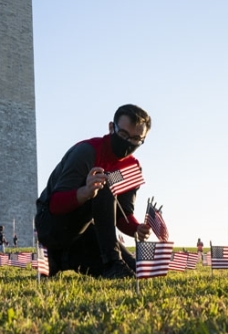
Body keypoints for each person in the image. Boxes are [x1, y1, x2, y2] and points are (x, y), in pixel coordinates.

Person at [35, 104, 153, 279]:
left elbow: (122, 215)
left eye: (136, 139)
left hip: (87, 228)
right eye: (123, 135)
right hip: (52, 224)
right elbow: (55, 204)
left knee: (134, 271)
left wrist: (137, 228)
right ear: (111, 127)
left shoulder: (131, 167)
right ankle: (111, 263)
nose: (128, 143)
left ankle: (61, 259)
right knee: (103, 185)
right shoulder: (87, 152)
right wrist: (85, 192)